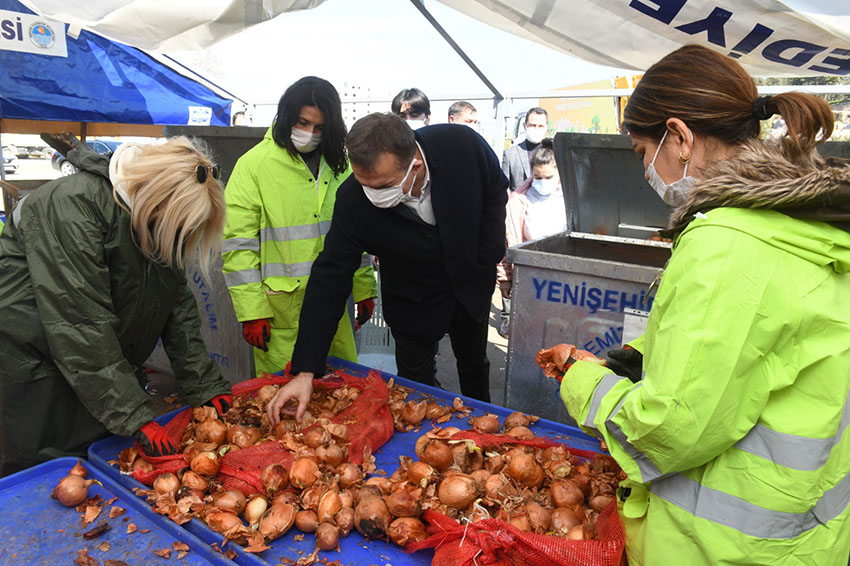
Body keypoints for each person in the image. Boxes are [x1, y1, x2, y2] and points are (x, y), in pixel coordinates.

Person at [555, 44, 850, 565]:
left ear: (681, 138)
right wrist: (638, 357)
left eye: (645, 153)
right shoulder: (808, 222)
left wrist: (582, 382)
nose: (647, 169)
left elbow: (668, 430)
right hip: (805, 534)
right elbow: (756, 341)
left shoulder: (728, 242)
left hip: (721, 546)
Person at [0, 136, 233, 475]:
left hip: (96, 363)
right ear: (156, 200)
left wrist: (204, 385)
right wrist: (133, 414)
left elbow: (177, 308)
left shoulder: (156, 221)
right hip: (35, 363)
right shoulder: (73, 205)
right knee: (49, 471)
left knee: (98, 469)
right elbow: (80, 323)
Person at [265, 112, 508, 423]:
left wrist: (487, 254)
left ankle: (485, 427)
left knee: (474, 364)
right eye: (365, 185)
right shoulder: (354, 200)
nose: (373, 196)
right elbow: (331, 276)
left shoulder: (462, 146)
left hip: (470, 278)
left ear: (415, 166)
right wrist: (305, 370)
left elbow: (495, 189)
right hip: (411, 296)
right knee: (414, 389)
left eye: (383, 186)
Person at [222, 76, 377, 376]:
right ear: (286, 117)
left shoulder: (339, 165)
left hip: (333, 307)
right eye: (303, 123)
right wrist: (252, 311)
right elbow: (237, 244)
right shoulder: (254, 166)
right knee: (284, 406)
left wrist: (364, 287)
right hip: (281, 313)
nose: (310, 133)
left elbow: (354, 235)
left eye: (319, 128)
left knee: (341, 399)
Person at [496, 138, 567, 337]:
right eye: (537, 177)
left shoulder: (571, 201)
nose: (542, 182)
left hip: (562, 277)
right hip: (529, 277)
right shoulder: (517, 202)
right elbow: (506, 243)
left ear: (560, 173)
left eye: (548, 177)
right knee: (530, 333)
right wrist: (505, 280)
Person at [501, 107, 548, 192]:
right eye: (532, 125)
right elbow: (504, 187)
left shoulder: (554, 152)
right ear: (524, 126)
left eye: (541, 126)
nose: (536, 129)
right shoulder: (510, 154)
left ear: (546, 128)